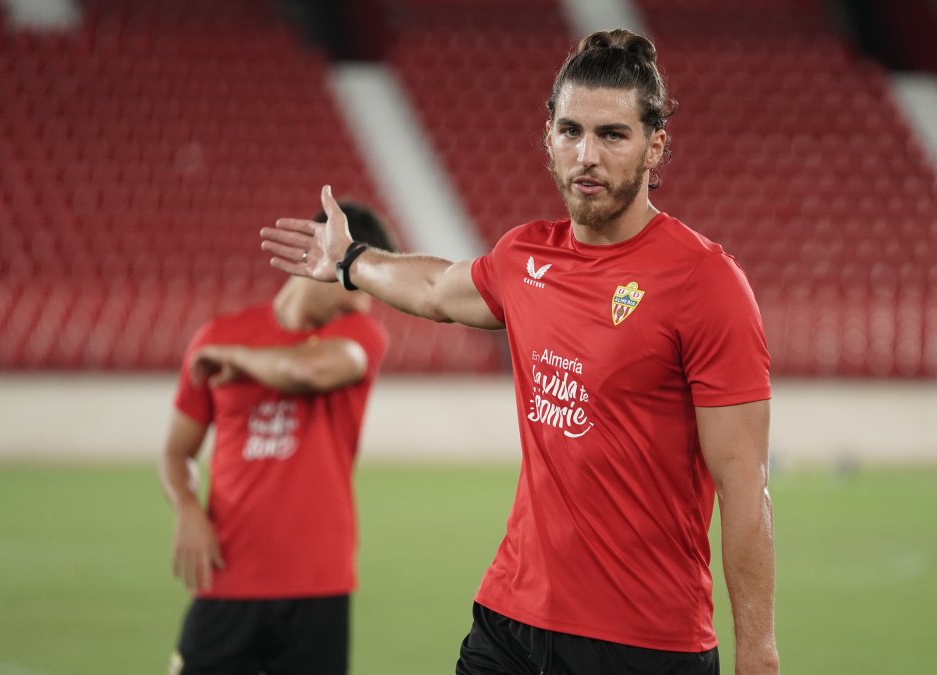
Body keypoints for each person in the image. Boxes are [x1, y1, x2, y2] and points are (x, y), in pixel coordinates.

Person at [262, 29, 777, 675]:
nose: (586, 154)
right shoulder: (527, 255)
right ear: (549, 138)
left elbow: (743, 483)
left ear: (656, 147)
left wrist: (757, 652)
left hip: (641, 643)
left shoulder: (706, 282)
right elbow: (436, 288)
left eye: (613, 135)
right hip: (509, 621)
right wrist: (350, 260)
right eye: (571, 131)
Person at [159, 203, 394, 675]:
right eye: (356, 277)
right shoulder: (221, 332)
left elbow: (307, 372)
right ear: (322, 257)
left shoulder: (358, 334)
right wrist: (186, 506)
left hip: (317, 584)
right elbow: (176, 451)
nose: (366, 298)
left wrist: (235, 359)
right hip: (228, 576)